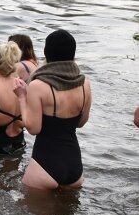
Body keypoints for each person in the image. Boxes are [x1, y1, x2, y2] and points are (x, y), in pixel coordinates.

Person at [13, 29, 92, 190]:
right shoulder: (85, 83)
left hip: (45, 162)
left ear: (46, 53)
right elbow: (81, 123)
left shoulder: (38, 86)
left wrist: (22, 97)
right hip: (74, 165)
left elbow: (34, 129)